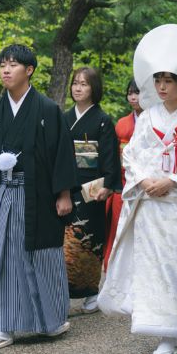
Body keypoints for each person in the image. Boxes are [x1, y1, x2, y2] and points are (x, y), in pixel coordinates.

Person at [98, 23, 177, 354]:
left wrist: (173, 181)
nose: (162, 87)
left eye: (169, 81)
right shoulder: (148, 118)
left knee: (175, 267)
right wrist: (145, 179)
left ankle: (173, 333)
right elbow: (132, 155)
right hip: (151, 205)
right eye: (158, 80)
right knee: (152, 267)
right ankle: (160, 330)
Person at [0, 43, 79, 350]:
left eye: (13, 65)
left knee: (40, 255)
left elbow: (62, 154)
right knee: (1, 256)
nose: (6, 70)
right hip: (2, 192)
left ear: (29, 70)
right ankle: (3, 325)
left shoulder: (47, 109)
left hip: (37, 196)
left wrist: (63, 194)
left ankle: (50, 321)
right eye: (2, 65)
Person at [63, 67, 121, 313]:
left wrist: (108, 185)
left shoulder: (102, 120)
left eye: (84, 84)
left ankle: (90, 293)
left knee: (88, 241)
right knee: (63, 243)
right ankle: (61, 293)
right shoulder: (64, 118)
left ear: (94, 89)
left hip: (92, 187)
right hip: (66, 184)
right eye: (75, 83)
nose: (78, 88)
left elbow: (109, 157)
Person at [105, 79, 143, 267]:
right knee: (118, 229)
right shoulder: (122, 124)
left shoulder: (155, 120)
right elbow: (113, 157)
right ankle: (113, 266)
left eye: (137, 92)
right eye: (130, 93)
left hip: (146, 184)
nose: (133, 97)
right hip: (123, 183)